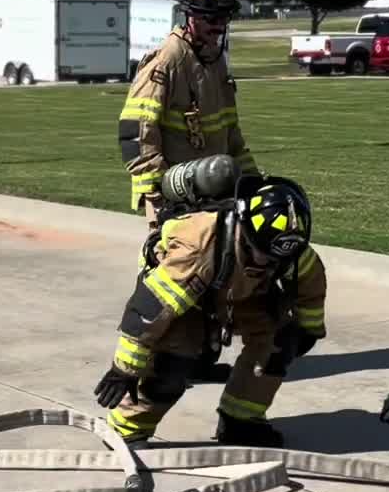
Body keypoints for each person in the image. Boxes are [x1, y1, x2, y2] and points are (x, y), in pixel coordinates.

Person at [93, 172, 326, 448]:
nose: (268, 263)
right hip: (190, 301)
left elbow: (311, 284)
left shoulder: (288, 248)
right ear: (246, 231)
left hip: (240, 296)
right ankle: (126, 431)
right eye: (260, 254)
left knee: (280, 341)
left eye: (276, 259)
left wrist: (309, 329)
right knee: (172, 367)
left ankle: (240, 421)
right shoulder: (197, 247)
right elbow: (150, 312)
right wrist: (125, 369)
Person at [116, 0, 257, 221]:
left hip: (213, 191)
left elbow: (230, 133)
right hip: (174, 195)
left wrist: (252, 181)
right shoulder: (168, 60)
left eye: (224, 18)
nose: (218, 26)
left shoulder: (216, 62)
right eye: (211, 18)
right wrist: (158, 190)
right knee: (183, 259)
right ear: (191, 16)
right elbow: (134, 132)